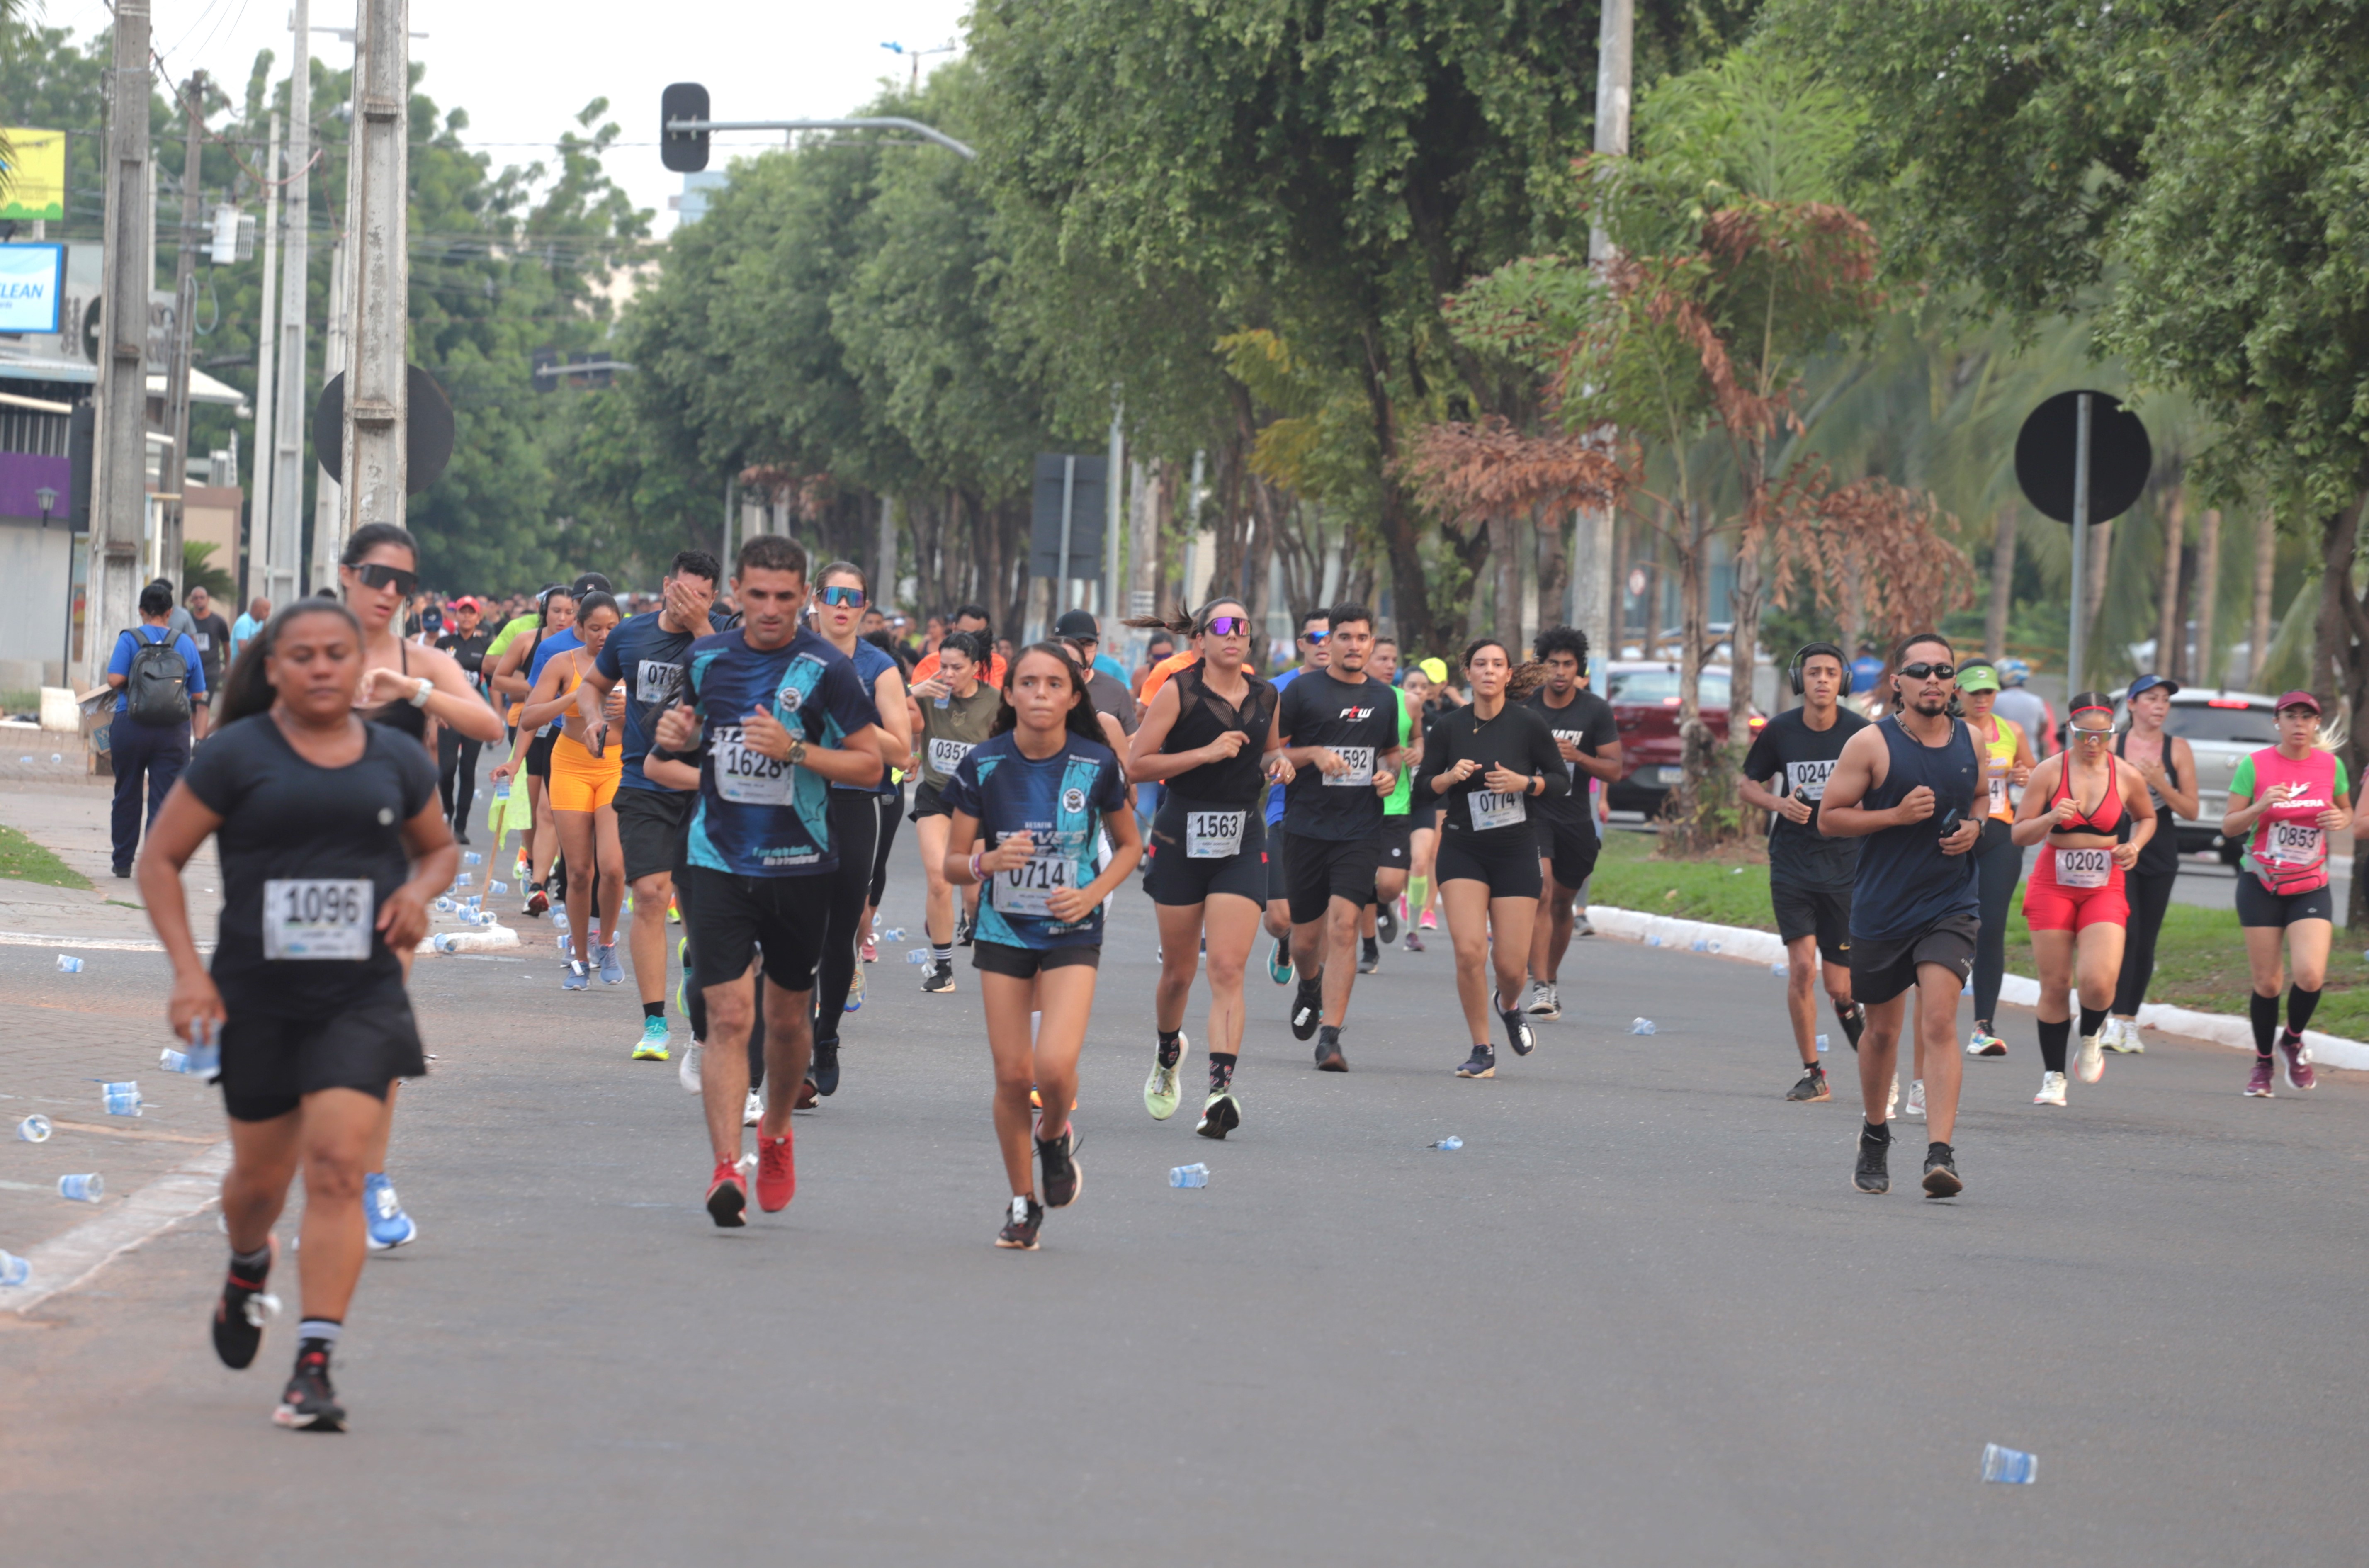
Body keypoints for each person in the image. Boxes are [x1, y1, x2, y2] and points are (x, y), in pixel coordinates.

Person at [140, 597, 456, 1430]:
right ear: (272, 668)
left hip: (362, 994)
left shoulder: (394, 758)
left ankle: (313, 1363)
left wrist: (420, 893)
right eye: (302, 655)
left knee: (339, 1169)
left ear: (361, 670)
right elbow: (161, 860)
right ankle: (249, 1262)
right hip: (259, 994)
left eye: (335, 655)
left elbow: (441, 848)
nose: (321, 668)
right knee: (258, 1186)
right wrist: (187, 975)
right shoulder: (235, 757)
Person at [650, 535, 884, 1225]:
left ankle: (776, 1131)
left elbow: (872, 766)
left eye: (786, 597)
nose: (772, 610)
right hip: (717, 860)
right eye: (758, 595)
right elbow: (678, 737)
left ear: (803, 596)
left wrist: (798, 751)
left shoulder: (826, 669)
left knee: (786, 1023)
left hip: (799, 866)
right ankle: (727, 1168)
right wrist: (677, 733)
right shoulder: (706, 658)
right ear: (739, 595)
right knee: (727, 1015)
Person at [939, 643, 1142, 1248]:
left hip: (1071, 929)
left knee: (1052, 1068)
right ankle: (1023, 1202)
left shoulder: (1095, 763)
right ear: (1009, 693)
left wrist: (1092, 894)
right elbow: (951, 862)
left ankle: (1053, 1136)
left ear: (1073, 696)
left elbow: (1130, 845)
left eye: (1054, 684)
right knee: (1011, 1075)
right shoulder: (983, 765)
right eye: (1028, 683)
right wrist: (986, 861)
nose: (1040, 695)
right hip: (1003, 930)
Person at [337, 523, 505, 1250]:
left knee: (375, 1024)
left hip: (394, 872)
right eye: (375, 575)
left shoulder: (424, 659)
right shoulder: (309, 648)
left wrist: (416, 691)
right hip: (310, 870)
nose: (388, 592)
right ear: (346, 574)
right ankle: (317, 1171)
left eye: (402, 581)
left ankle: (370, 1183)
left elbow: (489, 721)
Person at [1816, 633, 1984, 1198]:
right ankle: (1875, 1133)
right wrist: (1892, 815)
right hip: (1883, 907)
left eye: (1943, 670)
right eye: (1920, 671)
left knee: (1938, 1021)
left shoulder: (1973, 740)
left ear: (1954, 681)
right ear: (1898, 682)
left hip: (1950, 904)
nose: (1932, 680)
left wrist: (1977, 828)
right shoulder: (1871, 743)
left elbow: (1983, 796)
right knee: (1882, 1031)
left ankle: (1940, 1153)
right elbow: (1828, 818)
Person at [1127, 598, 1279, 1138]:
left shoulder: (1266, 695)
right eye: (1222, 626)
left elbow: (1268, 754)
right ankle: (1168, 1052)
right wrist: (1205, 753)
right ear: (1202, 638)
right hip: (1181, 835)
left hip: (1241, 836)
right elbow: (1136, 762)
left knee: (1229, 969)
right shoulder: (1179, 691)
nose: (1233, 634)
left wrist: (1277, 764)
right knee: (1178, 972)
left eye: (1242, 625)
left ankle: (1219, 1093)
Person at [581, 552, 719, 1061]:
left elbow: (742, 682)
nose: (688, 601)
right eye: (681, 591)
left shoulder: (722, 634)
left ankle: (696, 979)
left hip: (707, 786)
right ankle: (655, 1022)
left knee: (703, 907)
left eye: (701, 596)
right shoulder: (630, 635)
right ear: (665, 585)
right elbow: (593, 685)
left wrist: (703, 624)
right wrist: (595, 720)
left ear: (713, 598)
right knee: (651, 893)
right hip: (642, 780)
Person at [1417, 640, 1567, 1077]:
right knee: (1469, 952)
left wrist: (1525, 782)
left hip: (1516, 849)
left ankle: (1508, 1003)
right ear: (1468, 672)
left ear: (1507, 675)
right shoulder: (1448, 727)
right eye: (1480, 664)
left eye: (1497, 665)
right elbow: (1424, 786)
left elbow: (1559, 780)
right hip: (1463, 847)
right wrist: (1449, 777)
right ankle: (1482, 1048)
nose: (1488, 671)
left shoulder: (1528, 724)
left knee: (1510, 965)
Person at [1266, 603, 1402, 1072]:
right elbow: (1273, 755)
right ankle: (1309, 985)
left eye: (1363, 638)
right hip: (1306, 828)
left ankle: (1331, 1038)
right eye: (1344, 637)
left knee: (1343, 927)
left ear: (1371, 643)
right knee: (1305, 942)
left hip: (1360, 830)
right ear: (1328, 642)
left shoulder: (1385, 698)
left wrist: (1387, 776)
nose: (1353, 645)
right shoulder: (1302, 691)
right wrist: (1313, 755)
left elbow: (1391, 755)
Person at [1737, 641, 1870, 1103]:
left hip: (1844, 865)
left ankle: (1852, 1013)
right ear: (1800, 681)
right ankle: (1813, 1072)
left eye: (1830, 673)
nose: (1821, 680)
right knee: (1800, 969)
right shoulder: (1779, 731)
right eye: (1813, 672)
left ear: (1843, 682)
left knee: (1839, 985)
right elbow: (1746, 782)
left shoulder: (1861, 734)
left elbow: (1882, 787)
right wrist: (1778, 803)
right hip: (1792, 862)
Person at [2010, 692, 2155, 1106]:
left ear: (2113, 732)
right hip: (2053, 880)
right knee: (2055, 984)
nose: (2093, 743)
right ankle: (2053, 1075)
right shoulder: (2048, 772)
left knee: (2097, 980)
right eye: (2083, 735)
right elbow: (2019, 834)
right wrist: (2050, 818)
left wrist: (2136, 845)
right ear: (2070, 731)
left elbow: (2147, 817)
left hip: (2104, 881)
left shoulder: (2125, 774)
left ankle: (2090, 1034)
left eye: (2102, 735)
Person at [803, 562, 913, 1100]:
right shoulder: (791, 652)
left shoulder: (879, 668)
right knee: (798, 930)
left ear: (865, 607)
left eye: (854, 597)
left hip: (854, 802)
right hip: (796, 802)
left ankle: (827, 1037)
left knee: (840, 930)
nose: (842, 605)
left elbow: (903, 749)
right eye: (832, 594)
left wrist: (849, 718)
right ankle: (797, 1043)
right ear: (814, 598)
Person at [2222, 690, 2350, 1098]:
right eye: (2290, 716)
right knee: (2267, 983)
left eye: (2306, 717)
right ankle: (2262, 1064)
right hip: (2261, 883)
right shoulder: (2255, 765)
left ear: (2316, 724)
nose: (2299, 724)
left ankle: (2292, 1039)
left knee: (2311, 975)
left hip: (2310, 883)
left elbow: (2346, 811)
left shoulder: (2331, 766)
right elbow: (2228, 826)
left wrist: (2339, 817)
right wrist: (2259, 806)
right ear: (2276, 722)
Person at [520, 592, 627, 992]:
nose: (603, 636)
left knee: (613, 867)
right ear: (579, 628)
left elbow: (656, 719)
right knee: (579, 871)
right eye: (595, 628)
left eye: (611, 628)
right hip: (569, 765)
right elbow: (529, 717)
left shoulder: (631, 664)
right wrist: (573, 698)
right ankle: (580, 957)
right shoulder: (561, 663)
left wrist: (628, 713)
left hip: (616, 765)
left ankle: (608, 942)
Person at [1520, 626, 1623, 1020]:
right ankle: (1540, 985)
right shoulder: (1526, 707)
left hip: (1575, 818)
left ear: (1579, 668)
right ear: (1542, 666)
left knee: (1563, 901)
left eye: (1568, 664)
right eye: (1553, 664)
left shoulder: (1594, 710)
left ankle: (1551, 977)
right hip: (1534, 814)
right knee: (1542, 893)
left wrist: (1578, 757)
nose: (1560, 671)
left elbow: (1614, 770)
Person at [1951, 659, 2037, 1067]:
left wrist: (2024, 775)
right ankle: (1933, 1013)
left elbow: (2036, 774)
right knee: (1946, 924)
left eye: (1988, 692)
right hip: (1952, 835)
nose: (1982, 699)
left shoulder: (2011, 731)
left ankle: (1983, 1026)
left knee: (1990, 927)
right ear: (1958, 693)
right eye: (1974, 692)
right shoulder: (1945, 730)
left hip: (1999, 834)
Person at [2107, 673, 2198, 1053]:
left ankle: (2129, 1020)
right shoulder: (2115, 743)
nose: (2159, 706)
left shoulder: (2177, 749)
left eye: (2165, 700)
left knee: (2146, 939)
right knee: (2124, 933)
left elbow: (2190, 810)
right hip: (2120, 846)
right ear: (2131, 704)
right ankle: (2112, 1017)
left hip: (2160, 849)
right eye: (2151, 699)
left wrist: (2161, 784)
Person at [908, 632, 1001, 992]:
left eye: (956, 667)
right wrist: (914, 693)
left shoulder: (994, 701)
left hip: (977, 803)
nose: (947, 674)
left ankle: (979, 925)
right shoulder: (930, 691)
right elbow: (878, 704)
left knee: (972, 890)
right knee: (938, 879)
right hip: (935, 795)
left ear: (976, 668)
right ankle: (943, 969)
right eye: (943, 665)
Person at [105, 582, 209, 877]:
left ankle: (123, 862)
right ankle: (155, 864)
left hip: (131, 723)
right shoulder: (185, 644)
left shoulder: (130, 638)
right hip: (172, 731)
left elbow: (114, 679)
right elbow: (199, 695)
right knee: (164, 798)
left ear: (141, 611)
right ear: (170, 611)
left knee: (127, 793)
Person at [488, 586, 579, 915]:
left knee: (552, 809)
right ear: (544, 611)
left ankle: (555, 874)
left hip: (567, 733)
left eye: (569, 612)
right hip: (531, 726)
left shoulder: (589, 645)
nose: (563, 618)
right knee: (534, 804)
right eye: (556, 611)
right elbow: (497, 678)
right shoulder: (530, 641)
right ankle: (534, 865)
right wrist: (536, 688)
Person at [1259, 611, 1330, 984]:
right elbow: (1264, 752)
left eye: (1331, 636)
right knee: (1279, 918)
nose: (1323, 644)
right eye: (1314, 637)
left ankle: (1314, 989)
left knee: (1330, 916)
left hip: (1340, 815)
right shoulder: (1276, 689)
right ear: (1301, 643)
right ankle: (1285, 941)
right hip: (1285, 808)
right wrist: (1311, 755)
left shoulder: (1361, 691)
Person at [432, 596, 496, 841]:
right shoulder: (444, 643)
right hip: (449, 712)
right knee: (446, 770)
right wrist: (434, 711)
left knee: (467, 769)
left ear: (479, 617)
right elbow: (433, 678)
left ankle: (460, 827)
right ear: (455, 616)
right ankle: (447, 817)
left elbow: (492, 684)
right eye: (462, 612)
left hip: (475, 713)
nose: (467, 617)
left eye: (472, 613)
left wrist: (496, 715)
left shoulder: (485, 645)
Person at [1397, 664, 1444, 951]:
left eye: (1422, 687)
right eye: (1411, 685)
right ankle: (1383, 903)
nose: (1417, 691)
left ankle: (1412, 931)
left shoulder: (1439, 724)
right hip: (1392, 799)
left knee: (1421, 859)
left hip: (1424, 800)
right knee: (1385, 869)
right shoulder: (1392, 717)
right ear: (1401, 688)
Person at [911, 603, 1006, 689]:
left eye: (977, 634)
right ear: (954, 629)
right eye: (965, 633)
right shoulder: (929, 663)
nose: (971, 640)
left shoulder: (998, 664)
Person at [1992, 658, 2057, 760]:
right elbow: (2045, 724)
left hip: (2000, 760)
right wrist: (2036, 740)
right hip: (2030, 759)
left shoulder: (1993, 700)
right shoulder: (2037, 701)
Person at [185, 586, 233, 705]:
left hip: (211, 671)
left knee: (203, 705)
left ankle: (201, 725)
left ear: (208, 599)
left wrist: (228, 665)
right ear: (192, 601)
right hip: (192, 669)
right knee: (193, 707)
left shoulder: (218, 621)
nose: (199, 601)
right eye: (196, 598)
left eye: (202, 598)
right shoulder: (187, 620)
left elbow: (226, 644)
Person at [229, 596, 270, 664]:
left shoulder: (261, 623)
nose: (269, 614)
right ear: (255, 609)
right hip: (240, 667)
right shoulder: (244, 622)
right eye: (266, 610)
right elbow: (242, 649)